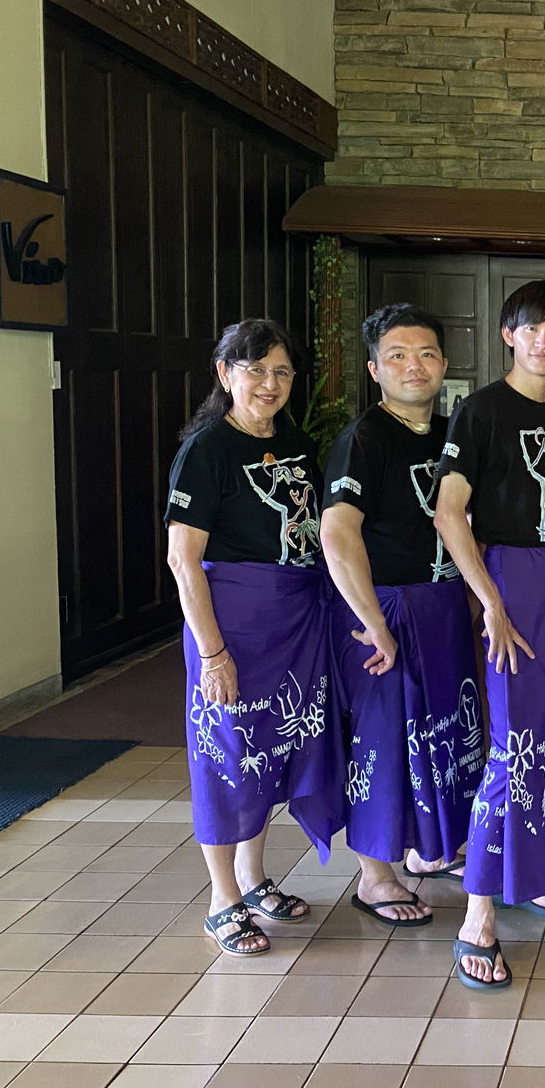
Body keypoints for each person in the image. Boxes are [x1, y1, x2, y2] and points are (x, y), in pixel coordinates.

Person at [436, 280, 545, 989]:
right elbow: (451, 515)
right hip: (513, 587)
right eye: (534, 327)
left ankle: (531, 871)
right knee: (513, 746)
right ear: (509, 334)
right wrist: (492, 604)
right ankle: (477, 913)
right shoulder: (478, 412)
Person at [165, 320, 344, 955]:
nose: (268, 384)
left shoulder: (295, 441)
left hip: (294, 623)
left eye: (281, 372)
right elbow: (183, 561)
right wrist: (212, 653)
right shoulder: (207, 450)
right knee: (226, 756)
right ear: (224, 374)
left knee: (271, 751)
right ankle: (223, 900)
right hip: (233, 626)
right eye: (254, 370)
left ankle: (253, 875)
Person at [320, 304, 485, 929]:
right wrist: (376, 620)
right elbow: (338, 534)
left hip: (440, 605)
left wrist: (471, 599)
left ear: (444, 364)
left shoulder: (451, 434)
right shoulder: (363, 439)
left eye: (425, 355)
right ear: (374, 369)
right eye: (397, 355)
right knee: (383, 741)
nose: (413, 366)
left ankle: (429, 846)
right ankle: (375, 875)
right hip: (384, 609)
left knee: (444, 733)